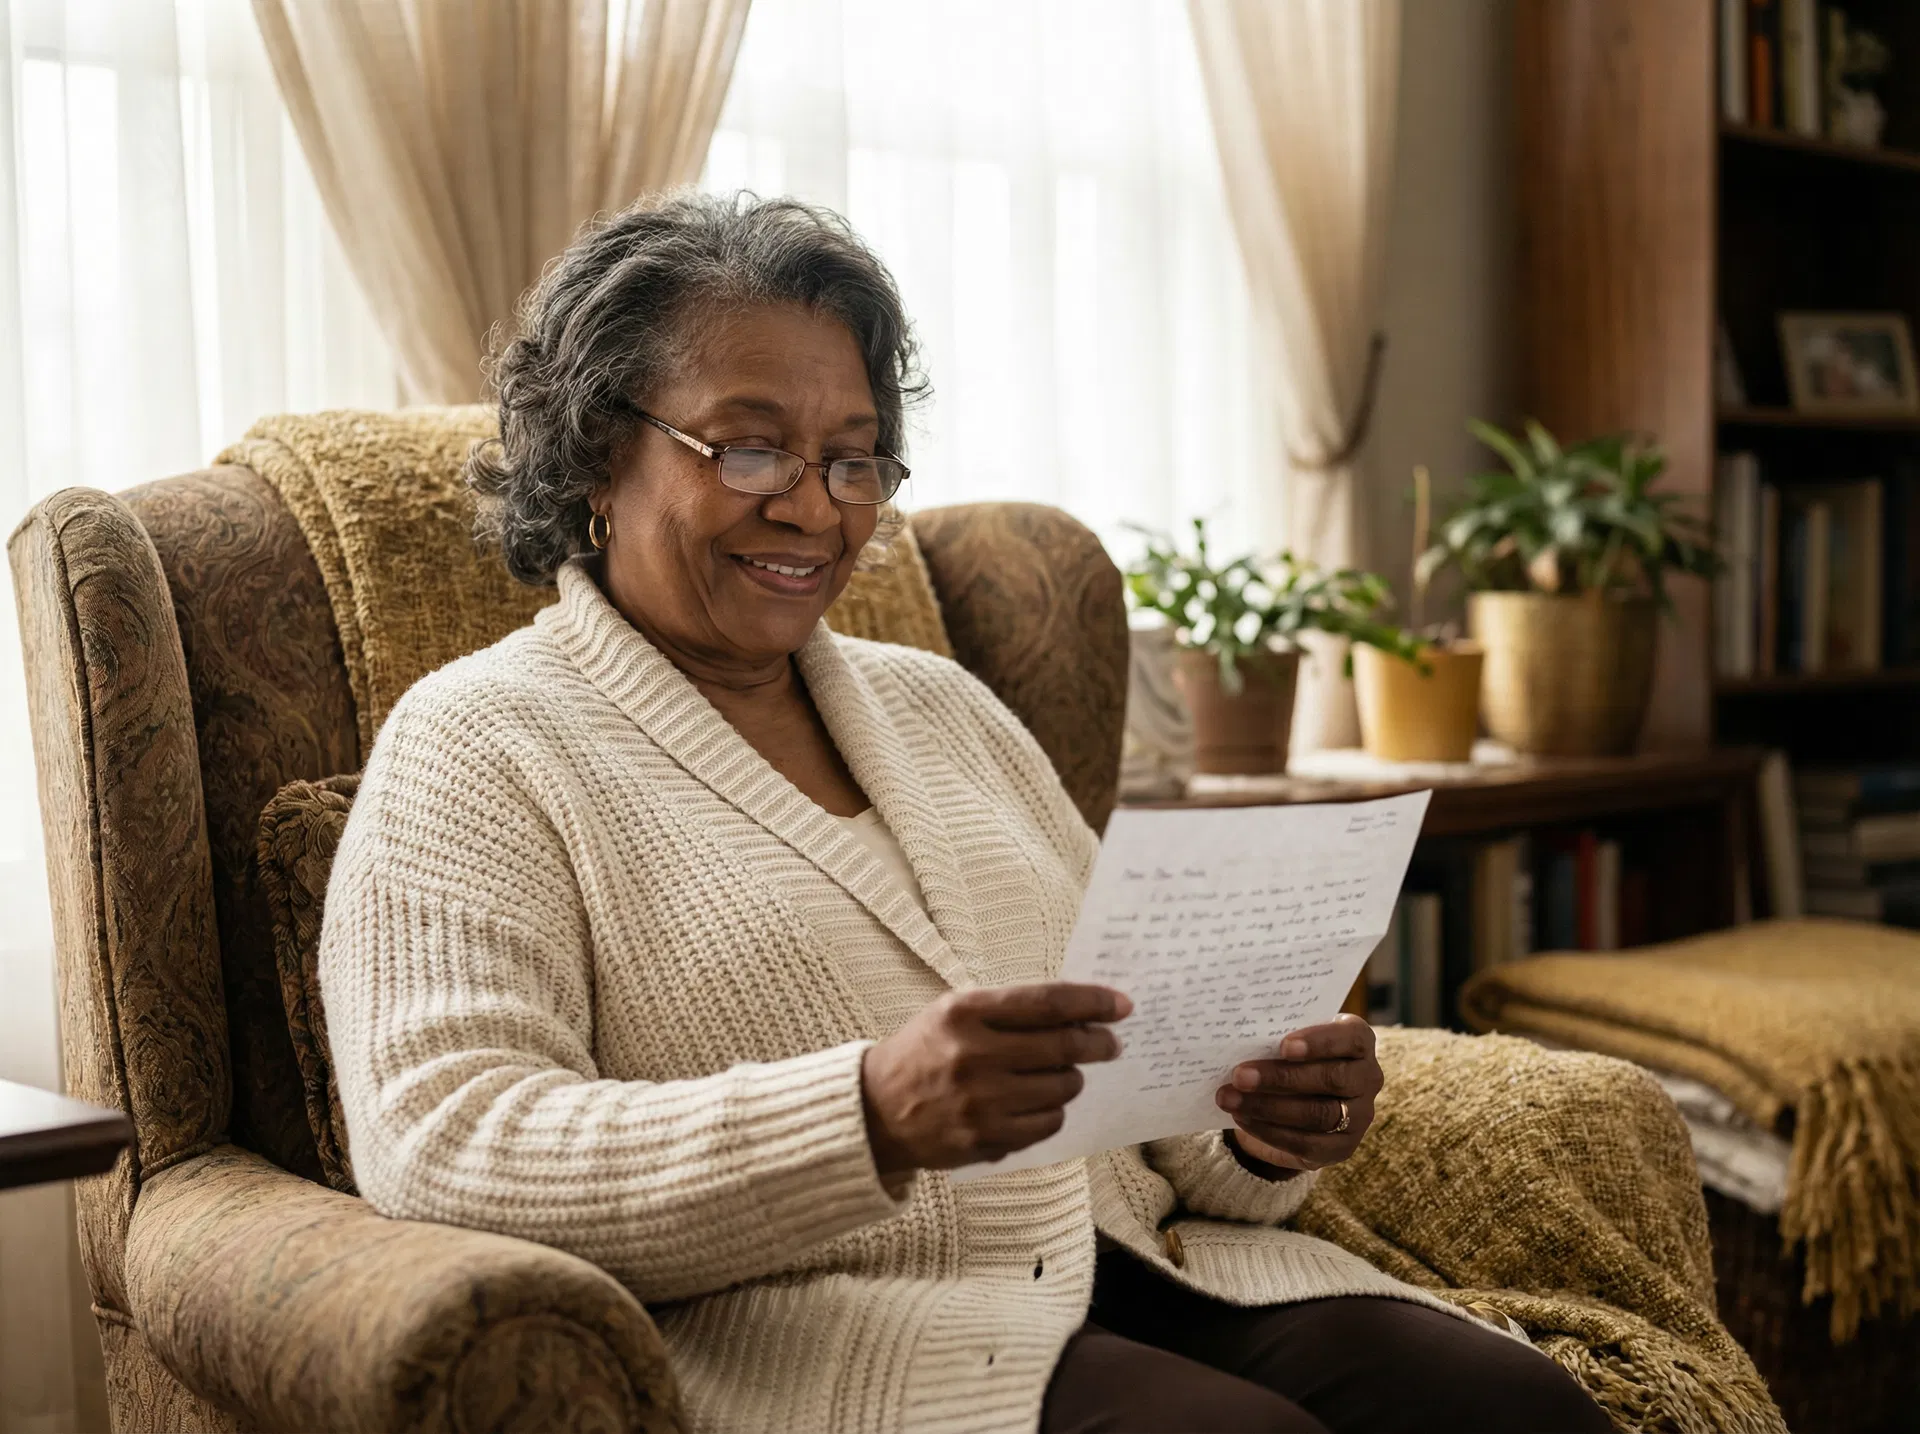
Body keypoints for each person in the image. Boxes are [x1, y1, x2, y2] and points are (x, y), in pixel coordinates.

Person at [319, 191, 1609, 1434]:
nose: (815, 507)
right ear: (600, 446)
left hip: (1153, 1272)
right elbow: (446, 1140)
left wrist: (1261, 1129)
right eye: (752, 445)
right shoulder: (477, 745)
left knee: (1515, 1406)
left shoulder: (945, 710)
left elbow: (1142, 1095)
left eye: (854, 458)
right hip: (835, 1335)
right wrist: (866, 1115)